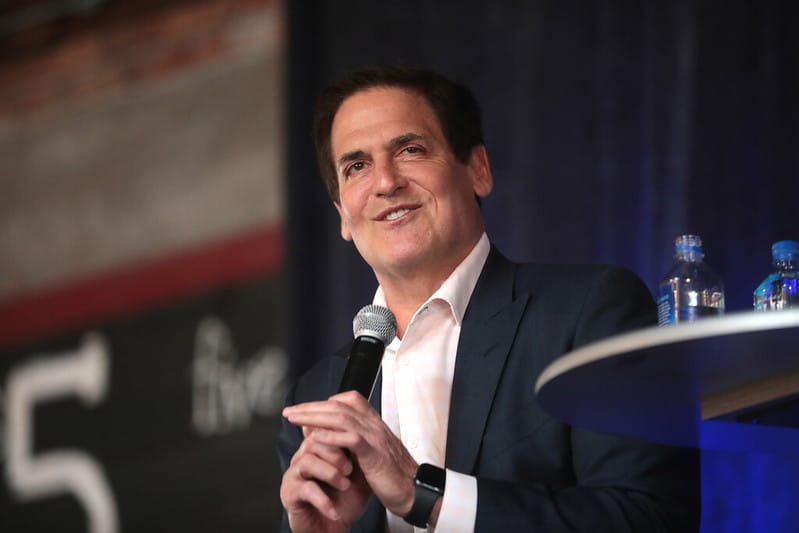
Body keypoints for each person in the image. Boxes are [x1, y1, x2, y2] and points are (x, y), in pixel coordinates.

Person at [277, 64, 700, 532]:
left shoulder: (589, 311)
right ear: (342, 214)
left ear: (478, 169)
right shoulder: (316, 397)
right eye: (357, 167)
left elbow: (651, 518)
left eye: (410, 150)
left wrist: (424, 495)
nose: (385, 182)